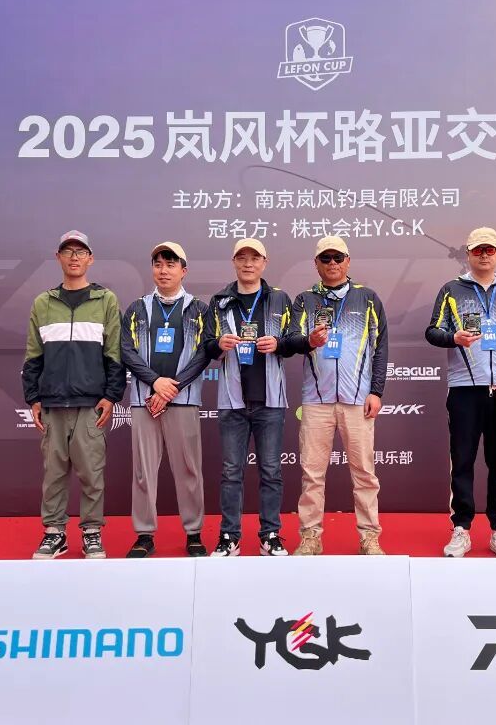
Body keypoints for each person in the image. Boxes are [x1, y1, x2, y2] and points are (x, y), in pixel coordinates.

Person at [425, 227, 496, 558]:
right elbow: (432, 331)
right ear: (468, 254)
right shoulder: (451, 290)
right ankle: (461, 528)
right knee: (462, 460)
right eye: (477, 250)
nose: (484, 255)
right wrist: (453, 338)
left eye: (489, 250)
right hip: (464, 390)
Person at [183, 238, 295, 557]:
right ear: (233, 262)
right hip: (232, 400)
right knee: (231, 472)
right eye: (242, 258)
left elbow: (295, 340)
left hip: (270, 400)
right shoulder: (220, 301)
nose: (248, 263)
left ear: (264, 262)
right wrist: (219, 344)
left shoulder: (279, 299)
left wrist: (280, 344)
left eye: (254, 258)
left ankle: (270, 534)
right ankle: (229, 536)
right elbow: (205, 345)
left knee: (271, 471)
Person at [281, 236, 388, 556]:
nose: (332, 264)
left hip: (358, 400)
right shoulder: (305, 300)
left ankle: (369, 536)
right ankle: (310, 536)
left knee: (365, 473)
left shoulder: (368, 298)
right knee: (312, 474)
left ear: (348, 261)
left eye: (337, 258)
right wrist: (309, 342)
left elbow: (380, 348)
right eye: (325, 258)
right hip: (317, 400)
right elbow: (289, 341)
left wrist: (376, 391)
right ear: (316, 264)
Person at [21, 230, 125, 560]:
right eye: (68, 251)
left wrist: (111, 395)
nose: (74, 257)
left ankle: (91, 532)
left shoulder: (105, 300)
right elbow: (33, 354)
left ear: (90, 259)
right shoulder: (43, 302)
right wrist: (33, 397)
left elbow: (114, 352)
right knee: (53, 473)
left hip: (90, 403)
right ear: (59, 257)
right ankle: (54, 533)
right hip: (52, 402)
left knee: (92, 473)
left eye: (81, 252)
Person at [120, 241, 212, 558]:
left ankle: (194, 533)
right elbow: (126, 351)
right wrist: (155, 383)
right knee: (143, 470)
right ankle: (144, 534)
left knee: (189, 469)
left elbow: (204, 353)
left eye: (171, 264)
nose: (163, 270)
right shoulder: (137, 308)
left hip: (183, 399)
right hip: (145, 399)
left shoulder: (199, 309)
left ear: (183, 270)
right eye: (158, 264)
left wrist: (173, 387)